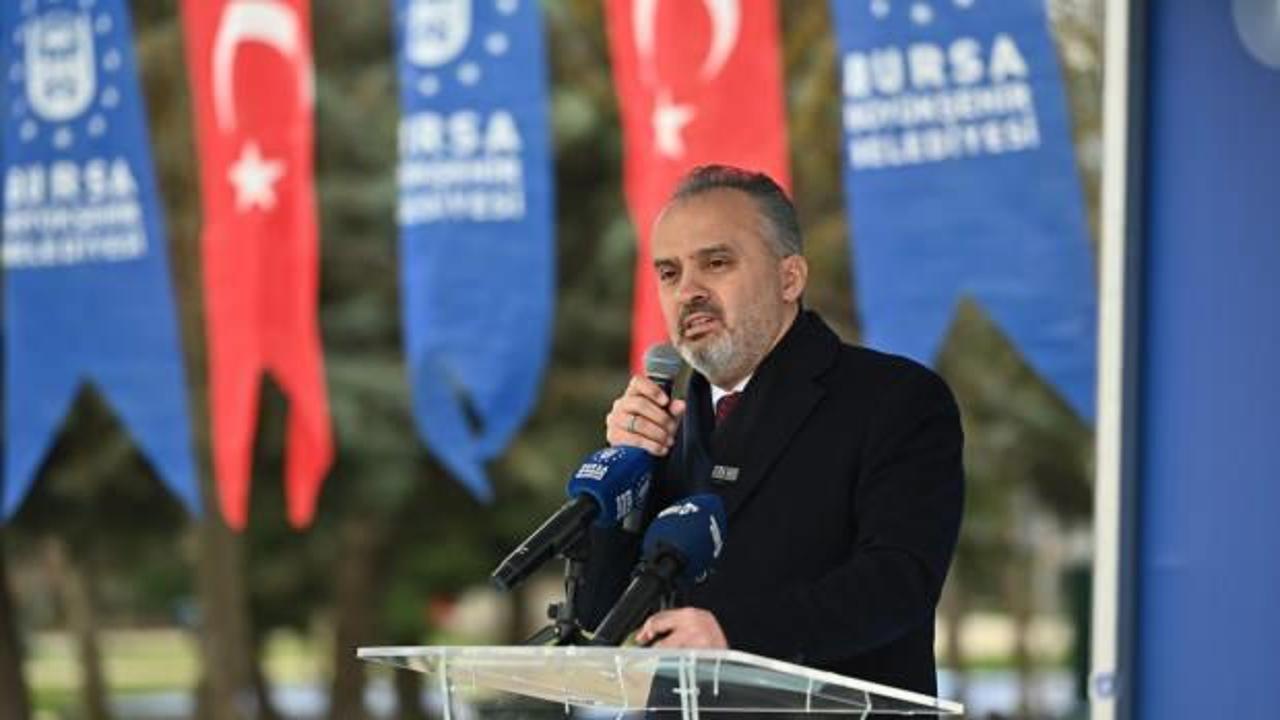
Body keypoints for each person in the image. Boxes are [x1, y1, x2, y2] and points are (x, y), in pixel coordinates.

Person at [580, 164, 964, 697]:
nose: (688, 291)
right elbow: (598, 614)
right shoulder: (661, 429)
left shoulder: (896, 398)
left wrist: (734, 634)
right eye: (668, 273)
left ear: (790, 278)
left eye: (716, 263)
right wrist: (624, 468)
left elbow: (898, 584)